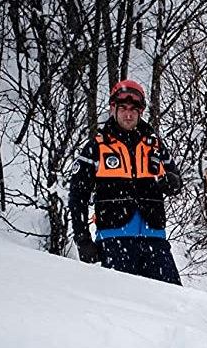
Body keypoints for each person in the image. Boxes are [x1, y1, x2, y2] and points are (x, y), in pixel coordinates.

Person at [67, 79, 183, 284]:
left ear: (141, 112)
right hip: (114, 239)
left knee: (173, 303)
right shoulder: (97, 147)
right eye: (123, 109)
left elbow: (176, 180)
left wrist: (172, 182)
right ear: (113, 109)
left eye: (133, 109)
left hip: (154, 239)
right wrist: (82, 239)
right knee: (121, 307)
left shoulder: (154, 146)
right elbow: (78, 195)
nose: (128, 114)